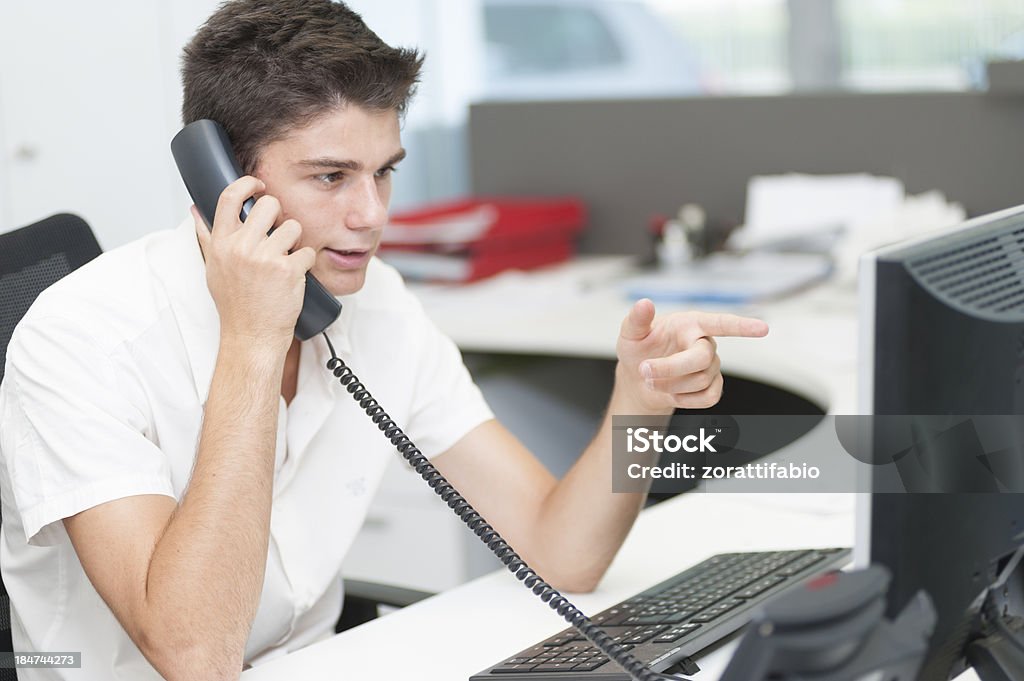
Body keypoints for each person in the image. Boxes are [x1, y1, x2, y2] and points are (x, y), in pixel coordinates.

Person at [0, 1, 768, 679]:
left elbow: (560, 552)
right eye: (331, 177)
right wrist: (254, 342)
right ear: (222, 182)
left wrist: (640, 402)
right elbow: (197, 658)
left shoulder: (377, 304)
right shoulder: (78, 341)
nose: (372, 215)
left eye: (384, 172)